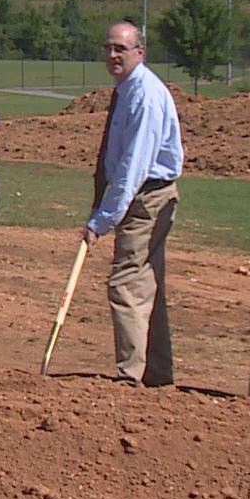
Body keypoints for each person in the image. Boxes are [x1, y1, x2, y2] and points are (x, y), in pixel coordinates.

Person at [82, 21, 184, 386]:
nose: (112, 55)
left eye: (120, 49)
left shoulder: (144, 95)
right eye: (108, 47)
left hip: (147, 197)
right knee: (146, 282)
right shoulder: (126, 90)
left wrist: (102, 219)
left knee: (126, 282)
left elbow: (133, 167)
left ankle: (130, 375)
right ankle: (157, 371)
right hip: (141, 194)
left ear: (139, 52)